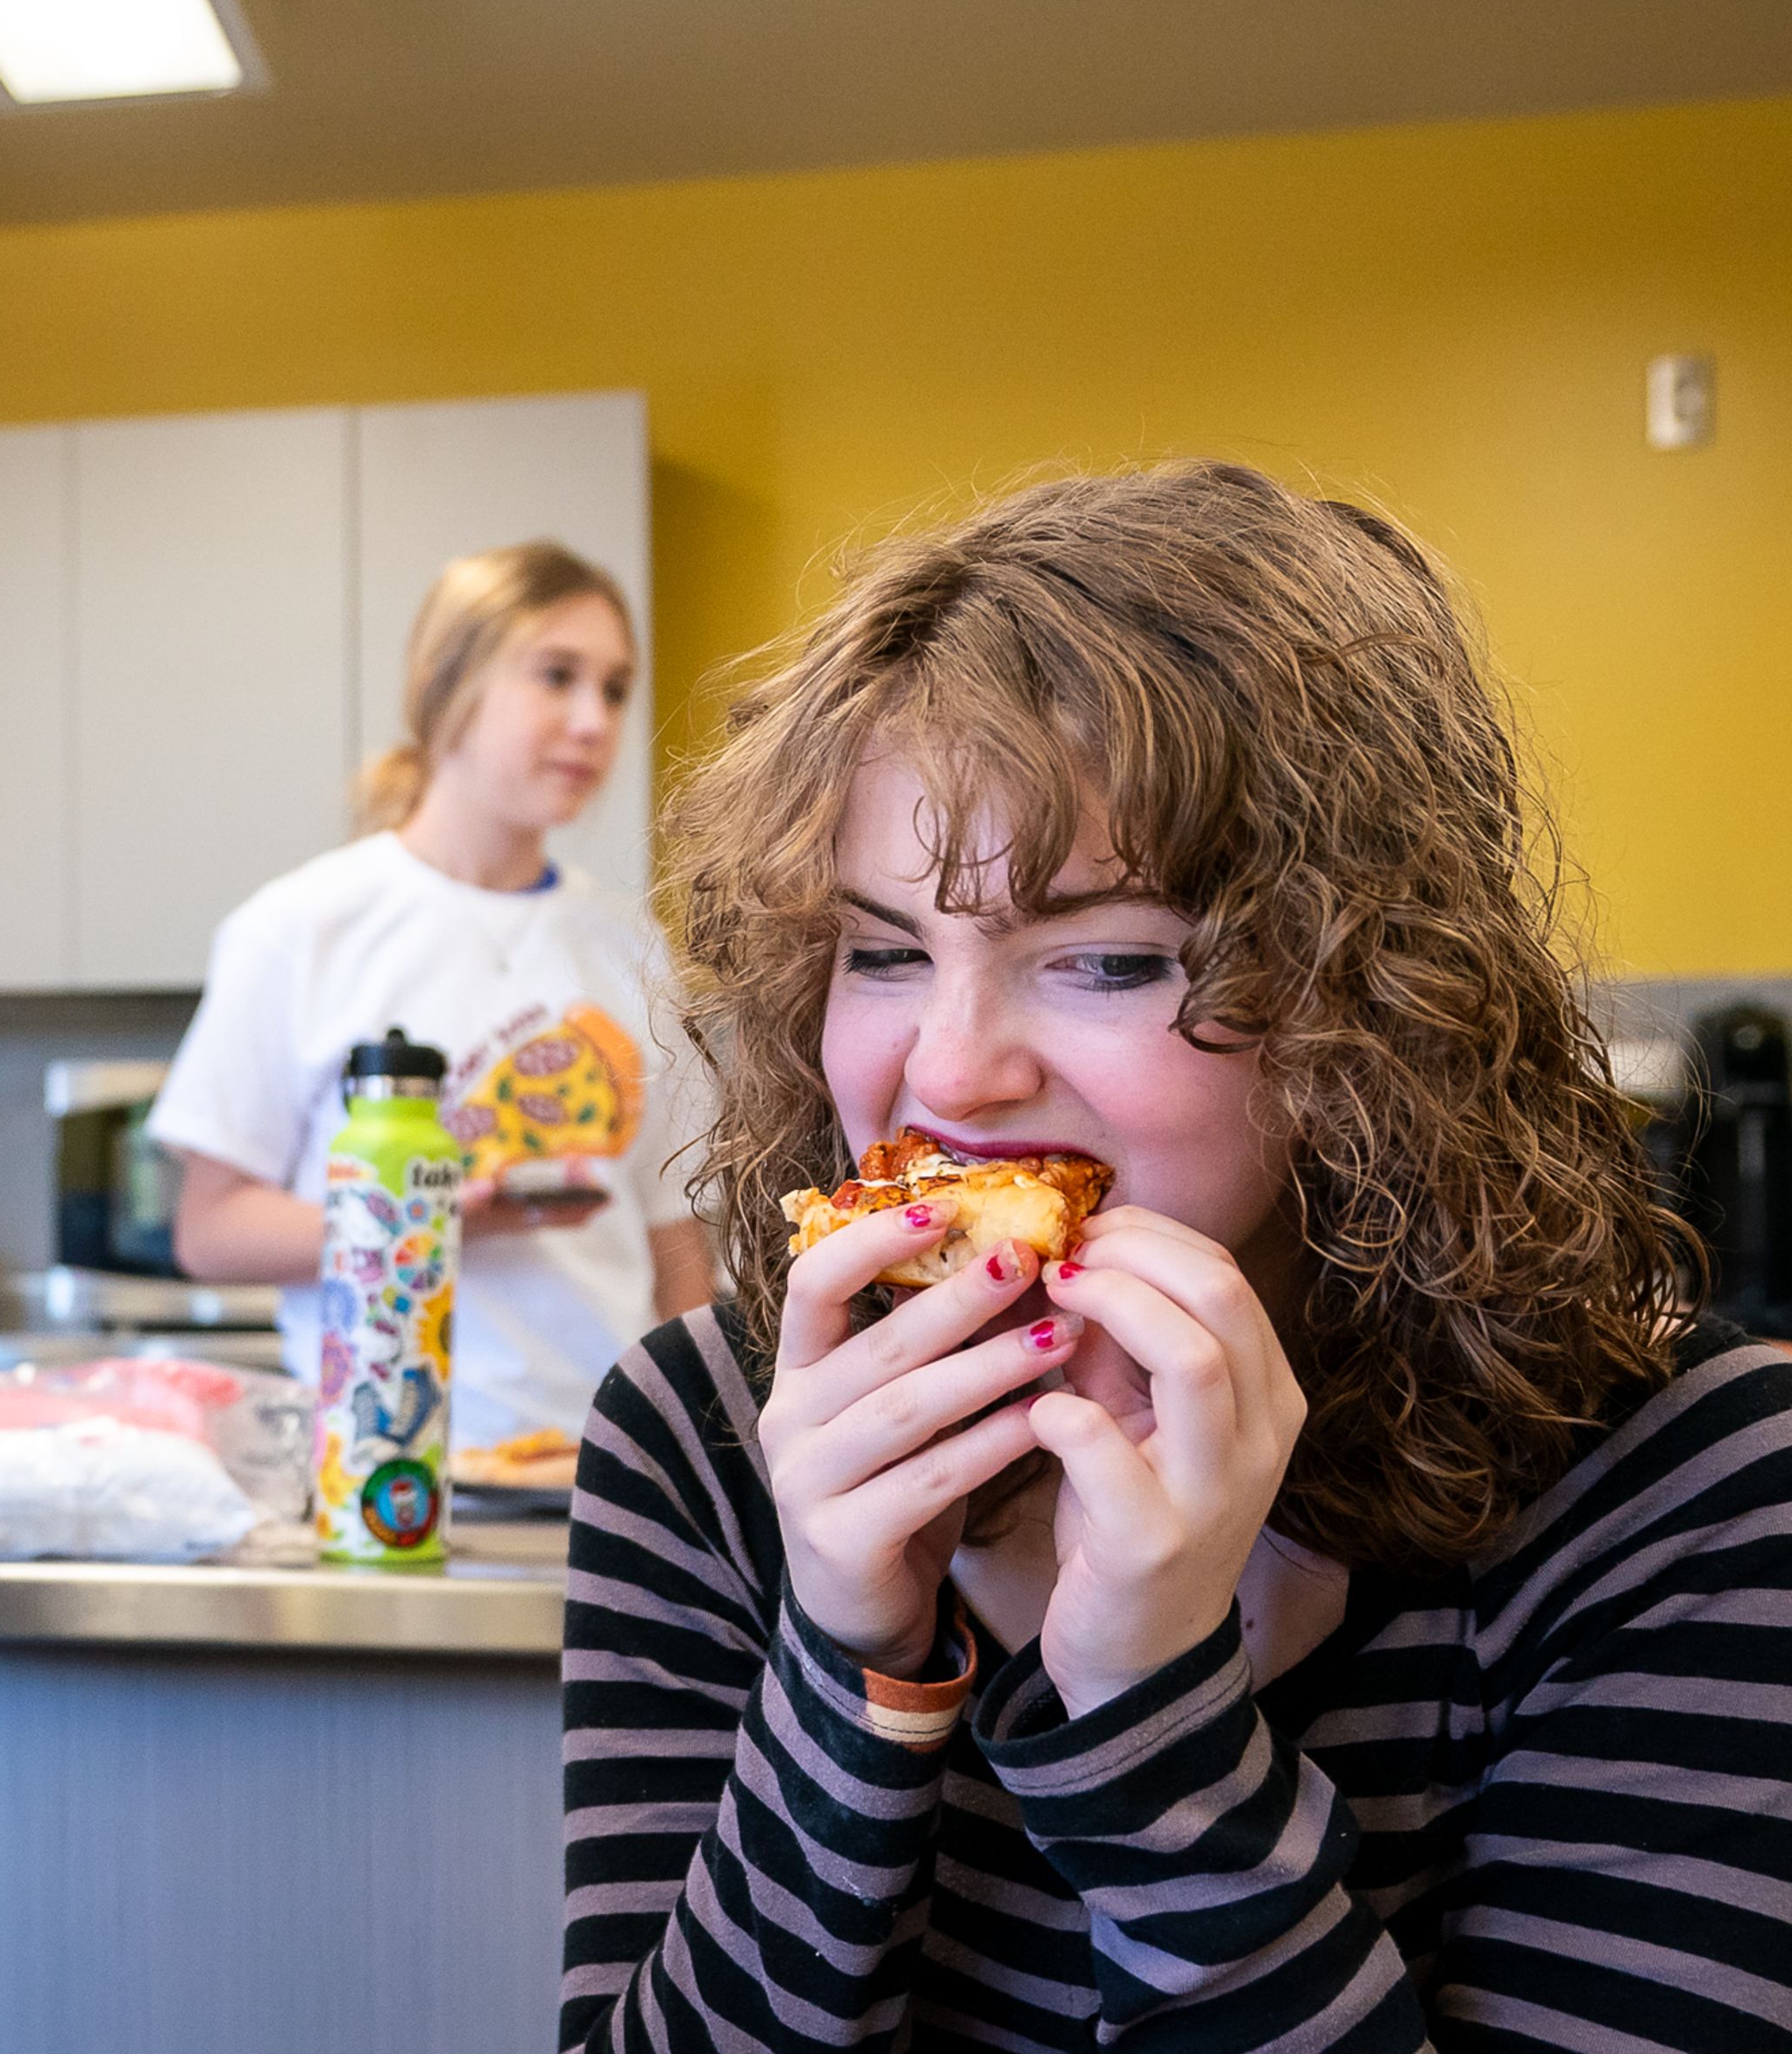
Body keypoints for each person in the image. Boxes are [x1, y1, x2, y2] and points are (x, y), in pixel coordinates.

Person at [560, 463, 1792, 2050]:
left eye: (1109, 958)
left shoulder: (1682, 1483)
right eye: (881, 951)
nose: (948, 1070)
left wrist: (1153, 1728)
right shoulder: (704, 1439)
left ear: (1374, 1002)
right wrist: (853, 1667)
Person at [154, 540, 714, 1454]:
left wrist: (701, 1447)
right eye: (556, 675)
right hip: (385, 1457)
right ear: (451, 685)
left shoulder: (629, 945)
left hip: (609, 1466)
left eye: (614, 688)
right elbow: (211, 1231)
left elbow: (673, 1241)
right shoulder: (300, 927)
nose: (593, 720)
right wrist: (442, 1207)